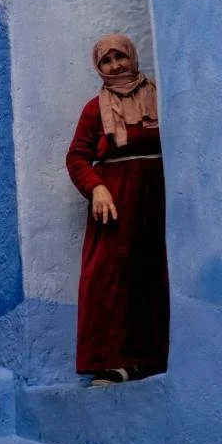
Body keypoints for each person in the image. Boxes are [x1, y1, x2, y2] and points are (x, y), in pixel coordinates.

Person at [66, 34, 170, 384]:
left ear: (132, 57)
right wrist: (96, 188)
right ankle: (111, 362)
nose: (116, 66)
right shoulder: (95, 108)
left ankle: (152, 359)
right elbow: (77, 156)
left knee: (153, 275)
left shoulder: (159, 94)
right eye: (106, 61)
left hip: (157, 196)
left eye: (120, 57)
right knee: (107, 278)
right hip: (115, 202)